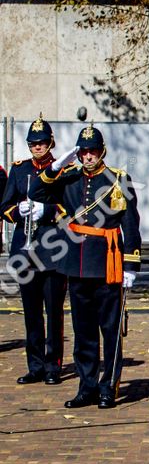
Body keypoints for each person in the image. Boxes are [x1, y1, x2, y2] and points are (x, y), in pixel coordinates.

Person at [44, 126, 142, 409]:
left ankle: (108, 386)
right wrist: (57, 165)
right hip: (77, 265)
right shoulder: (69, 178)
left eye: (92, 151)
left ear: (102, 151)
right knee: (83, 331)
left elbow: (130, 224)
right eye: (83, 151)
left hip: (106, 263)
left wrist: (131, 265)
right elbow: (40, 189)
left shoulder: (118, 180)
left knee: (110, 330)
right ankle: (86, 386)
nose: (88, 156)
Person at [2, 116, 67, 385]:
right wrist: (19, 211)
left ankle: (53, 366)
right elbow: (4, 208)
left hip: (52, 250)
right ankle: (35, 365)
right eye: (33, 144)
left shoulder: (63, 170)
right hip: (25, 251)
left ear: (50, 142)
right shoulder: (19, 170)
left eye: (41, 143)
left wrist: (47, 211)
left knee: (53, 311)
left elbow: (71, 211)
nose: (37, 148)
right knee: (31, 312)